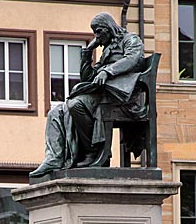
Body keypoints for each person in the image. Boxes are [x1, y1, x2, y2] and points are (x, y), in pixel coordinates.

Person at [30, 12, 145, 177]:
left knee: (75, 104)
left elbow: (132, 59)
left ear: (109, 27)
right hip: (103, 94)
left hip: (121, 97)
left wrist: (108, 71)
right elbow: (88, 78)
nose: (96, 36)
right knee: (55, 112)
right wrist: (87, 53)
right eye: (94, 32)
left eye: (99, 31)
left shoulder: (131, 40)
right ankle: (54, 157)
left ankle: (93, 151)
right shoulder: (107, 49)